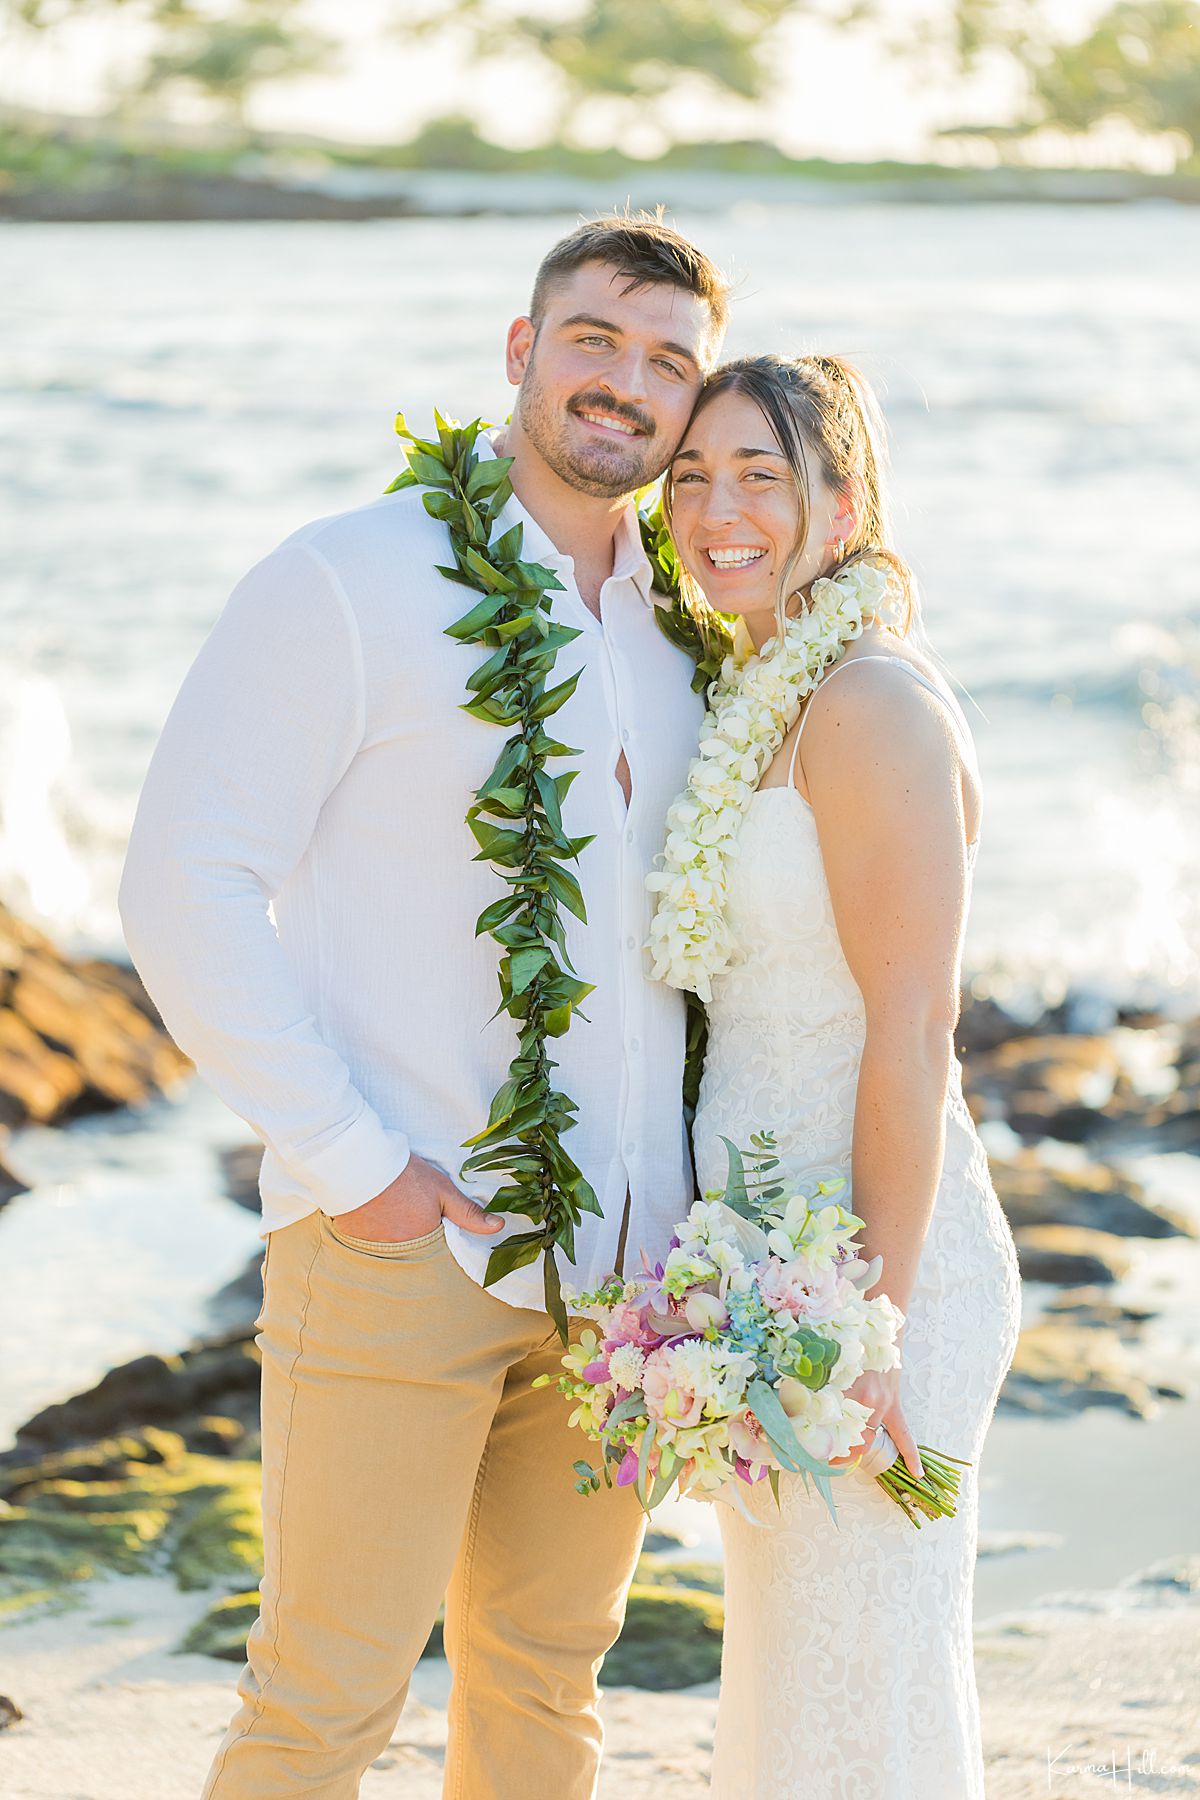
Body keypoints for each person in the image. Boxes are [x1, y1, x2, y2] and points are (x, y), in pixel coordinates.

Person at [117, 213, 729, 1800]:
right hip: (402, 1243)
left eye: (670, 361)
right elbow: (183, 881)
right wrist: (354, 1167)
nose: (627, 382)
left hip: (620, 1282)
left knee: (545, 1688)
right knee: (326, 1698)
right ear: (522, 353)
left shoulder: (685, 635)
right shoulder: (350, 578)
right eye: (595, 338)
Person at [663, 352, 1022, 1798]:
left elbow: (913, 1024)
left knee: (866, 1686)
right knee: (799, 1679)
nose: (717, 508)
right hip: (772, 1264)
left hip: (874, 1277)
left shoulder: (868, 703)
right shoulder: (760, 695)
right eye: (692, 477)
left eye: (762, 473)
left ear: (845, 500)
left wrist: (865, 1319)